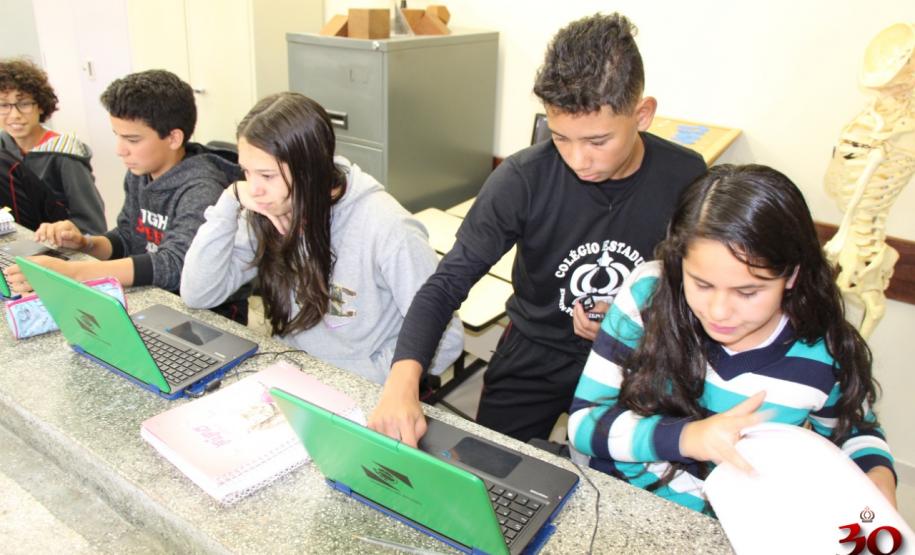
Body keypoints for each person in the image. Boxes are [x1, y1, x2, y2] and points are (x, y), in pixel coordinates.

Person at [369, 13, 706, 445]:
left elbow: (699, 285)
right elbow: (446, 283)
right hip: (534, 350)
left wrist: (638, 323)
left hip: (637, 357)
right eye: (562, 137)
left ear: (642, 115)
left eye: (597, 141)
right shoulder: (524, 178)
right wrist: (403, 381)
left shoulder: (685, 176)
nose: (578, 159)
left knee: (627, 487)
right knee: (492, 471)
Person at [567, 164, 897, 513]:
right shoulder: (649, 293)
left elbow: (853, 433)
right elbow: (584, 424)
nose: (719, 311)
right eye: (702, 284)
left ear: (791, 275)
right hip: (626, 503)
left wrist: (877, 477)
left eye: (747, 291)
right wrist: (690, 438)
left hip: (736, 526)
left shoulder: (823, 352)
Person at [179, 92, 463, 384]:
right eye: (246, 172)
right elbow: (198, 293)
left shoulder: (388, 227)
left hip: (359, 388)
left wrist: (360, 381)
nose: (254, 188)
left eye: (267, 175)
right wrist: (230, 200)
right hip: (290, 377)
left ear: (309, 171)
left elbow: (447, 339)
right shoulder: (267, 209)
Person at [3, 69, 248, 323]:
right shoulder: (141, 170)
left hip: (209, 317)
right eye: (117, 136)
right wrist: (87, 244)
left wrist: (74, 272)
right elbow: (127, 236)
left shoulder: (202, 188)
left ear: (174, 138)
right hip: (154, 299)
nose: (120, 150)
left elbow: (175, 266)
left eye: (132, 139)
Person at [0, 58, 106, 234]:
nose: (14, 115)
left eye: (24, 104)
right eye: (4, 105)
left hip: (57, 246)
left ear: (41, 106)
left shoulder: (64, 154)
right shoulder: (3, 145)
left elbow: (92, 225)